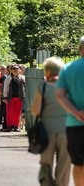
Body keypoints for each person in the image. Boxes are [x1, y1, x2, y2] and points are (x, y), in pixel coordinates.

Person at [31, 57, 71, 186]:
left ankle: (46, 183)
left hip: (46, 130)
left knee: (46, 163)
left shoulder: (42, 87)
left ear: (48, 71)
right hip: (66, 129)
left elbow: (36, 110)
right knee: (64, 164)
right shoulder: (69, 86)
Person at [56, 36, 84, 186]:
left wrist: (76, 113)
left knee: (78, 163)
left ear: (80, 49)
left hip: (75, 124)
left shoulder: (68, 69)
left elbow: (60, 96)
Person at [3, 64, 25, 132]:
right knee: (9, 112)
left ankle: (16, 126)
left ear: (19, 70)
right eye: (14, 69)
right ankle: (9, 126)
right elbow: (5, 88)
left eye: (17, 69)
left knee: (17, 112)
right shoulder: (8, 78)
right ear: (11, 70)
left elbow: (25, 87)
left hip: (19, 97)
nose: (16, 70)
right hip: (10, 97)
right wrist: (5, 97)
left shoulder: (23, 77)